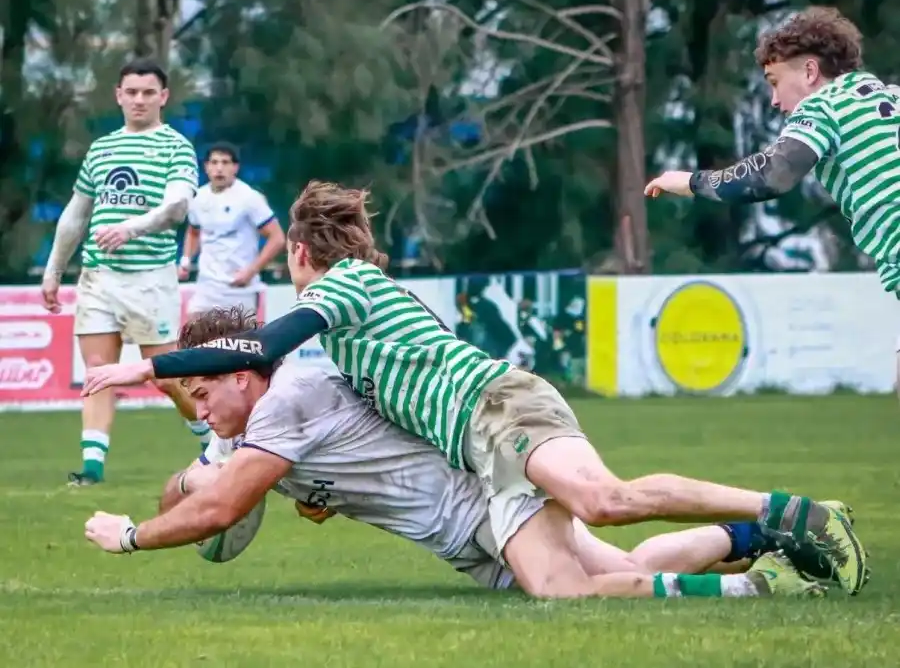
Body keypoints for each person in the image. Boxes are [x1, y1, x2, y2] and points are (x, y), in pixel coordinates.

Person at [80, 181, 869, 595]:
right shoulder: (341, 343)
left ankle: (792, 512)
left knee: (606, 501)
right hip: (478, 448)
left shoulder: (344, 287)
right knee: (604, 567)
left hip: (497, 410)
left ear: (300, 256)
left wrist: (147, 368)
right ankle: (759, 546)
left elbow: (264, 347)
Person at [84, 307, 835, 600]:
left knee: (577, 592)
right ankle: (756, 536)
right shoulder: (252, 427)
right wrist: (189, 473)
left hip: (479, 500)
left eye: (206, 390)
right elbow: (200, 501)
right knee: (631, 570)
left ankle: (764, 583)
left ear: (244, 374)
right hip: (465, 528)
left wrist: (126, 537)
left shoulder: (289, 399)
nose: (200, 406)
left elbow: (216, 512)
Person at [642, 7, 900, 399]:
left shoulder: (823, 106)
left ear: (810, 73)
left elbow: (771, 176)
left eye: (775, 82)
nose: (775, 101)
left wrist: (691, 182)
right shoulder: (889, 96)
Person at [40, 57, 211, 486]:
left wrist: (131, 228)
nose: (139, 99)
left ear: (163, 97)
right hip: (97, 278)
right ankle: (92, 469)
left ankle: (214, 440)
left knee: (167, 378)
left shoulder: (175, 146)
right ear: (118, 96)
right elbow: (76, 214)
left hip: (150, 278)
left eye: (148, 92)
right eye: (131, 92)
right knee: (98, 371)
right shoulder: (102, 148)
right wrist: (53, 270)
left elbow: (176, 206)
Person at [179, 142, 285, 316]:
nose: (219, 168)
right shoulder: (198, 197)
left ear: (235, 167)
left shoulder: (249, 197)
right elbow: (193, 231)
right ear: (206, 167)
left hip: (239, 290)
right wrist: (186, 260)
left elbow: (277, 238)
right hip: (206, 289)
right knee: (196, 340)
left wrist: (251, 271)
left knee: (237, 343)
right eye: (214, 162)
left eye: (225, 162)